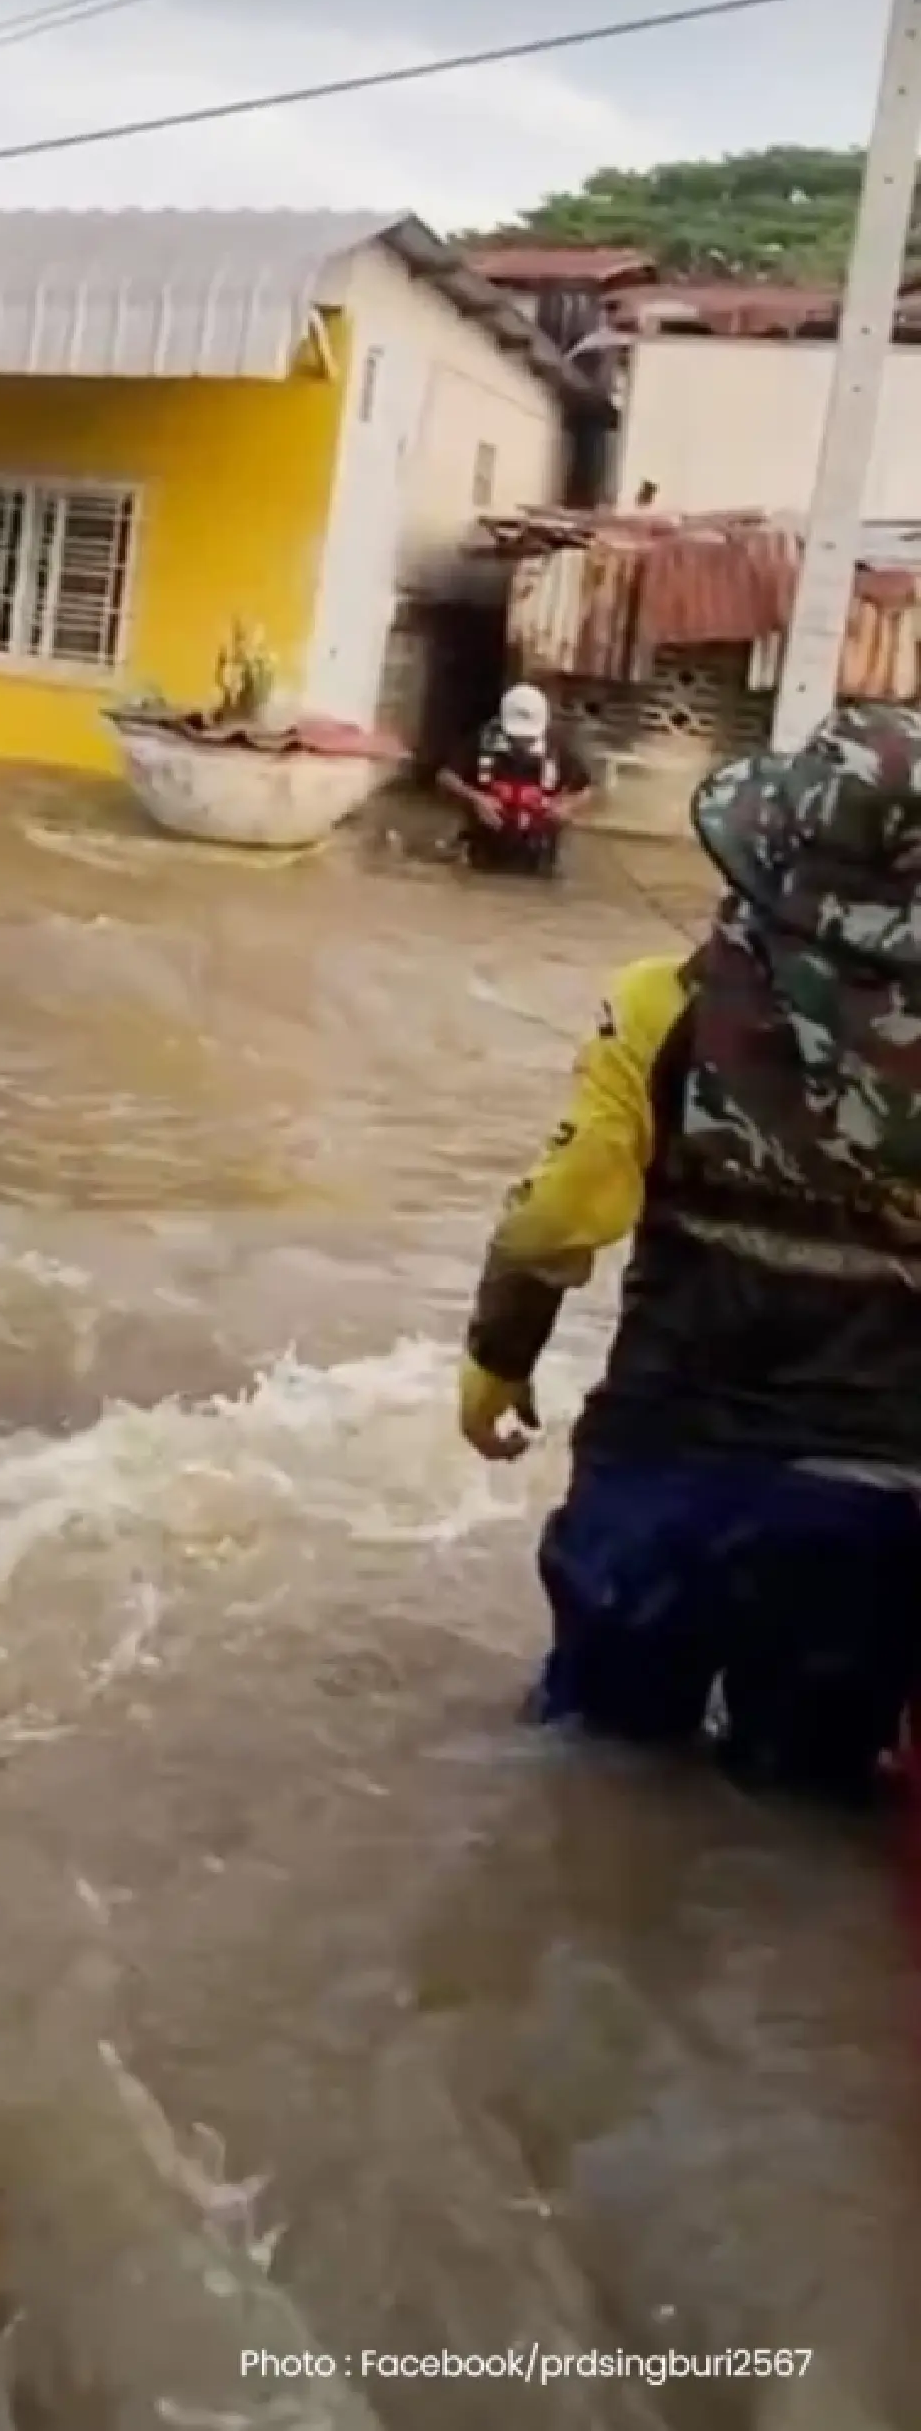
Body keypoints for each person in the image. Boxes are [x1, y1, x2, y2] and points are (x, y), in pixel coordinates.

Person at [456, 705, 921, 1804]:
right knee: (802, 1801)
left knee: (590, 1778)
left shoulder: (659, 1004)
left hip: (658, 1475)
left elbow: (554, 1220)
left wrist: (496, 1359)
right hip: (869, 1512)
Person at [440, 681, 593, 874]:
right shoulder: (482, 742)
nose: (522, 742)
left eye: (528, 737)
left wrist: (566, 807)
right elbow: (446, 777)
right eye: (516, 736)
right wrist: (476, 798)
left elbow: (585, 789)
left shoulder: (557, 750)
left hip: (539, 856)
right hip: (484, 853)